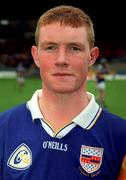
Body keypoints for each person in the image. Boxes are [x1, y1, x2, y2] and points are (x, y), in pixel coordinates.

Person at [0, 5, 126, 179]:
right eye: (50, 47)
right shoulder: (4, 127)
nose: (61, 60)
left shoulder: (121, 136)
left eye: (74, 48)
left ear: (92, 56)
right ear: (36, 56)